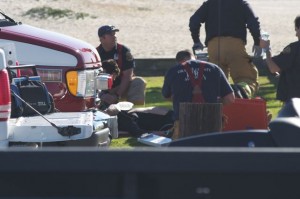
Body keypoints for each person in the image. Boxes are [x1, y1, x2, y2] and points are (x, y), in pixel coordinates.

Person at [189, 0, 262, 98]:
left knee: (216, 84)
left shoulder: (209, 4)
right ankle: (240, 94)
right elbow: (253, 22)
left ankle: (219, 108)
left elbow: (194, 21)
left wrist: (196, 40)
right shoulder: (241, 3)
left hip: (213, 47)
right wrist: (257, 41)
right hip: (235, 46)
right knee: (247, 79)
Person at [162, 49, 235, 139]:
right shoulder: (214, 68)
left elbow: (166, 96)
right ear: (195, 58)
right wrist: (215, 102)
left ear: (178, 62)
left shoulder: (173, 71)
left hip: (183, 124)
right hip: (212, 123)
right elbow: (230, 99)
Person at [96, 25, 146, 106]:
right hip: (102, 89)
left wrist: (117, 95)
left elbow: (128, 76)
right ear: (102, 38)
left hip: (121, 86)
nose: (115, 36)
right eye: (111, 34)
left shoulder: (123, 51)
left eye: (115, 34)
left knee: (138, 82)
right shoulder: (95, 53)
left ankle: (135, 112)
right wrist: (103, 94)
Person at [260, 16, 300, 103]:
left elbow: (273, 68)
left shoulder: (293, 49)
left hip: (294, 102)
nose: (296, 34)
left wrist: (266, 49)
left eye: (296, 30)